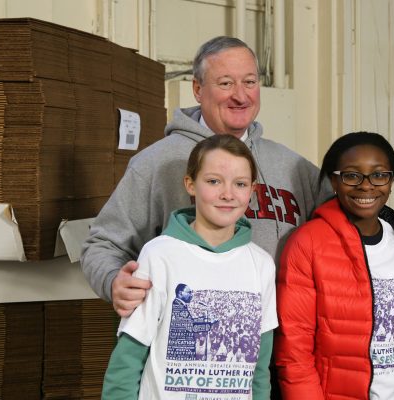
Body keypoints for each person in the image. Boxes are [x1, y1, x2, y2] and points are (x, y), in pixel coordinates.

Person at [81, 35, 331, 317]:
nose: (240, 95)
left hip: (279, 342)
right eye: (226, 83)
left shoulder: (293, 166)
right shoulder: (155, 164)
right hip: (189, 343)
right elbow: (103, 244)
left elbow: (346, 222)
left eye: (249, 82)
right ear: (198, 89)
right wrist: (114, 280)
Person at [102, 134, 277, 399]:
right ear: (190, 184)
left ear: (252, 192)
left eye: (239, 184)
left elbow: (260, 369)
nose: (227, 194)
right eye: (213, 181)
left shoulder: (261, 264)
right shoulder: (158, 255)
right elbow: (127, 361)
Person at [275, 132, 394, 399]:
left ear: (391, 180)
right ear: (334, 181)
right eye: (352, 175)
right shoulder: (308, 242)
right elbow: (294, 352)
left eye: (379, 174)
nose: (366, 186)